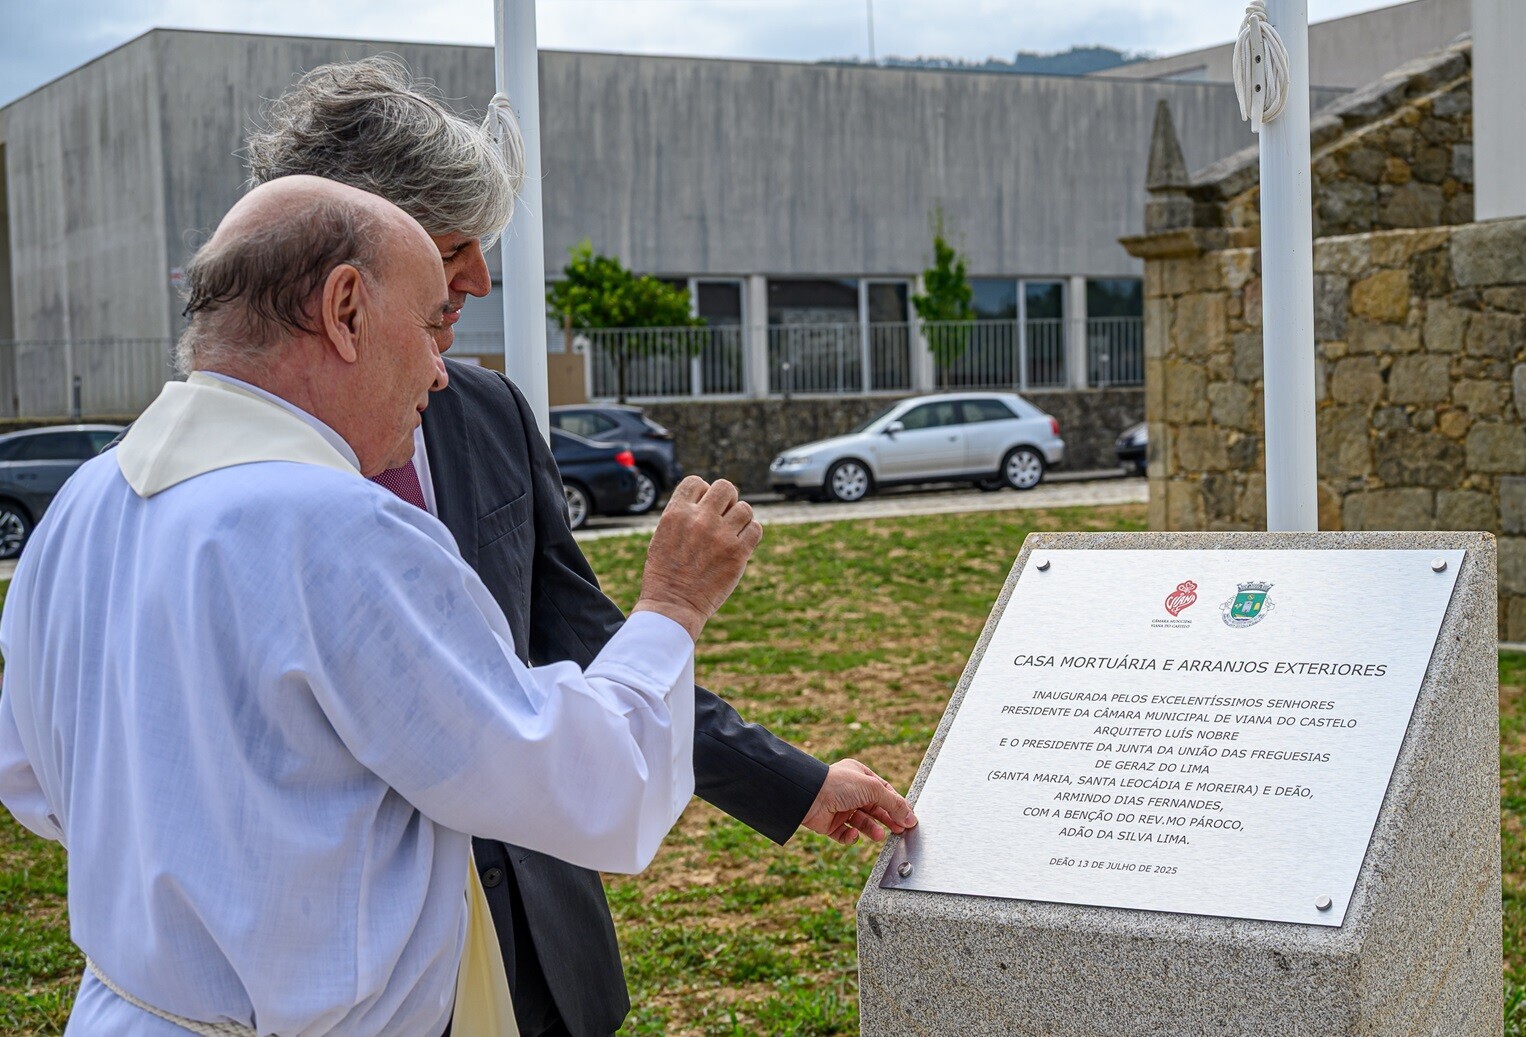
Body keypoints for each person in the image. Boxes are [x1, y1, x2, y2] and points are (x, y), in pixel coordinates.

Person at [0, 175, 764, 1036]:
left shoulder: (85, 501)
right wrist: (671, 605)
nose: (440, 371)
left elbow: (31, 780)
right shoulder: (340, 528)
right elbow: (585, 785)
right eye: (431, 324)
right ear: (346, 310)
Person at [245, 57, 917, 1036]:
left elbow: (581, 636)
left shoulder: (484, 411)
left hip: (538, 943)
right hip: (351, 980)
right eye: (455, 246)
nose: (479, 279)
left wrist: (794, 782)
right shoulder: (223, 478)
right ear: (347, 271)